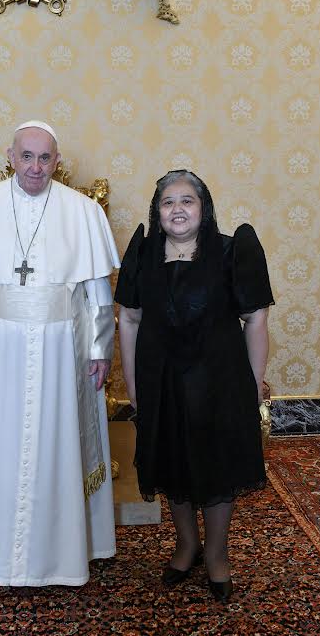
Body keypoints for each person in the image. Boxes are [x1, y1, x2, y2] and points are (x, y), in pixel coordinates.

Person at [0, 121, 120, 587]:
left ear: (58, 161)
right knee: (4, 442)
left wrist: (100, 348)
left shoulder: (82, 210)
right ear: (11, 156)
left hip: (64, 344)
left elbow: (98, 291)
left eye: (45, 158)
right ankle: (2, 551)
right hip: (1, 344)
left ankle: (64, 555)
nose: (36, 167)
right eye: (27, 156)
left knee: (60, 440)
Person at [115, 170, 274, 603]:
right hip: (161, 379)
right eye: (168, 202)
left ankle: (217, 554)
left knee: (217, 465)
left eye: (187, 200)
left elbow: (255, 318)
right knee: (171, 463)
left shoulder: (231, 250)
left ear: (204, 208)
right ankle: (187, 546)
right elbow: (129, 320)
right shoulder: (143, 253)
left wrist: (253, 382)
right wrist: (134, 386)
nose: (178, 209)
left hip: (220, 379)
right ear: (157, 210)